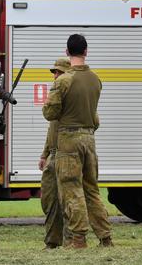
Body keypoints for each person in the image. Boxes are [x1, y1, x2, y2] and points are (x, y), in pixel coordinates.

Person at [42, 34, 113, 249]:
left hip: (68, 140)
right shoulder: (95, 79)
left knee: (71, 189)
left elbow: (50, 113)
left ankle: (78, 239)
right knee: (92, 190)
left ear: (67, 52)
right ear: (86, 51)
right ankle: (105, 237)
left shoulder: (63, 80)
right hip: (89, 139)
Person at [39, 57, 72, 249]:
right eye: (54, 72)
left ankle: (70, 240)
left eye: (59, 72)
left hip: (66, 153)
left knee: (67, 200)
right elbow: (51, 130)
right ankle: (52, 241)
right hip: (53, 154)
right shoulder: (56, 97)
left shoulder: (71, 98)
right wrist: (44, 155)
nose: (56, 75)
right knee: (49, 200)